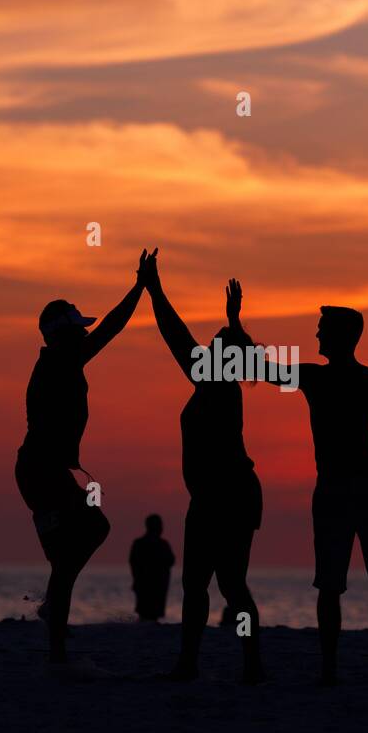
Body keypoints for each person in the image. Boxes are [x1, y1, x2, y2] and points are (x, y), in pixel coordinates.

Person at [263, 303, 368, 685]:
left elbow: (264, 371)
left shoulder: (321, 379)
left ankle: (334, 670)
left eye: (322, 329)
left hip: (347, 488)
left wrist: (238, 330)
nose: (317, 335)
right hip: (363, 487)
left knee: (337, 581)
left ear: (340, 336)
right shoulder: (367, 380)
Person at [16, 249, 153, 667]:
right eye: (76, 328)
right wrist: (139, 288)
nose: (83, 334)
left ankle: (55, 629)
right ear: (60, 333)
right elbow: (110, 329)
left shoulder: (60, 361)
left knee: (75, 548)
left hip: (44, 471)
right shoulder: (61, 360)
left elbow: (103, 332)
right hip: (40, 472)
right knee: (91, 530)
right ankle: (56, 639)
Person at [144, 255, 266, 683]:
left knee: (228, 585)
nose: (208, 345)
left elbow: (175, 337)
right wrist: (233, 320)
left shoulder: (216, 384)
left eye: (216, 344)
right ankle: (195, 663)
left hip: (227, 494)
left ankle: (245, 665)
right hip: (220, 495)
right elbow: (189, 342)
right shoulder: (217, 383)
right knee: (207, 585)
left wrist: (155, 292)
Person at [129, 514, 175, 621]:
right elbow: (134, 563)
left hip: (150, 584)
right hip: (148, 584)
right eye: (159, 525)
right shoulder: (158, 544)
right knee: (147, 613)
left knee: (148, 614)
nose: (161, 528)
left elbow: (171, 560)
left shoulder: (141, 543)